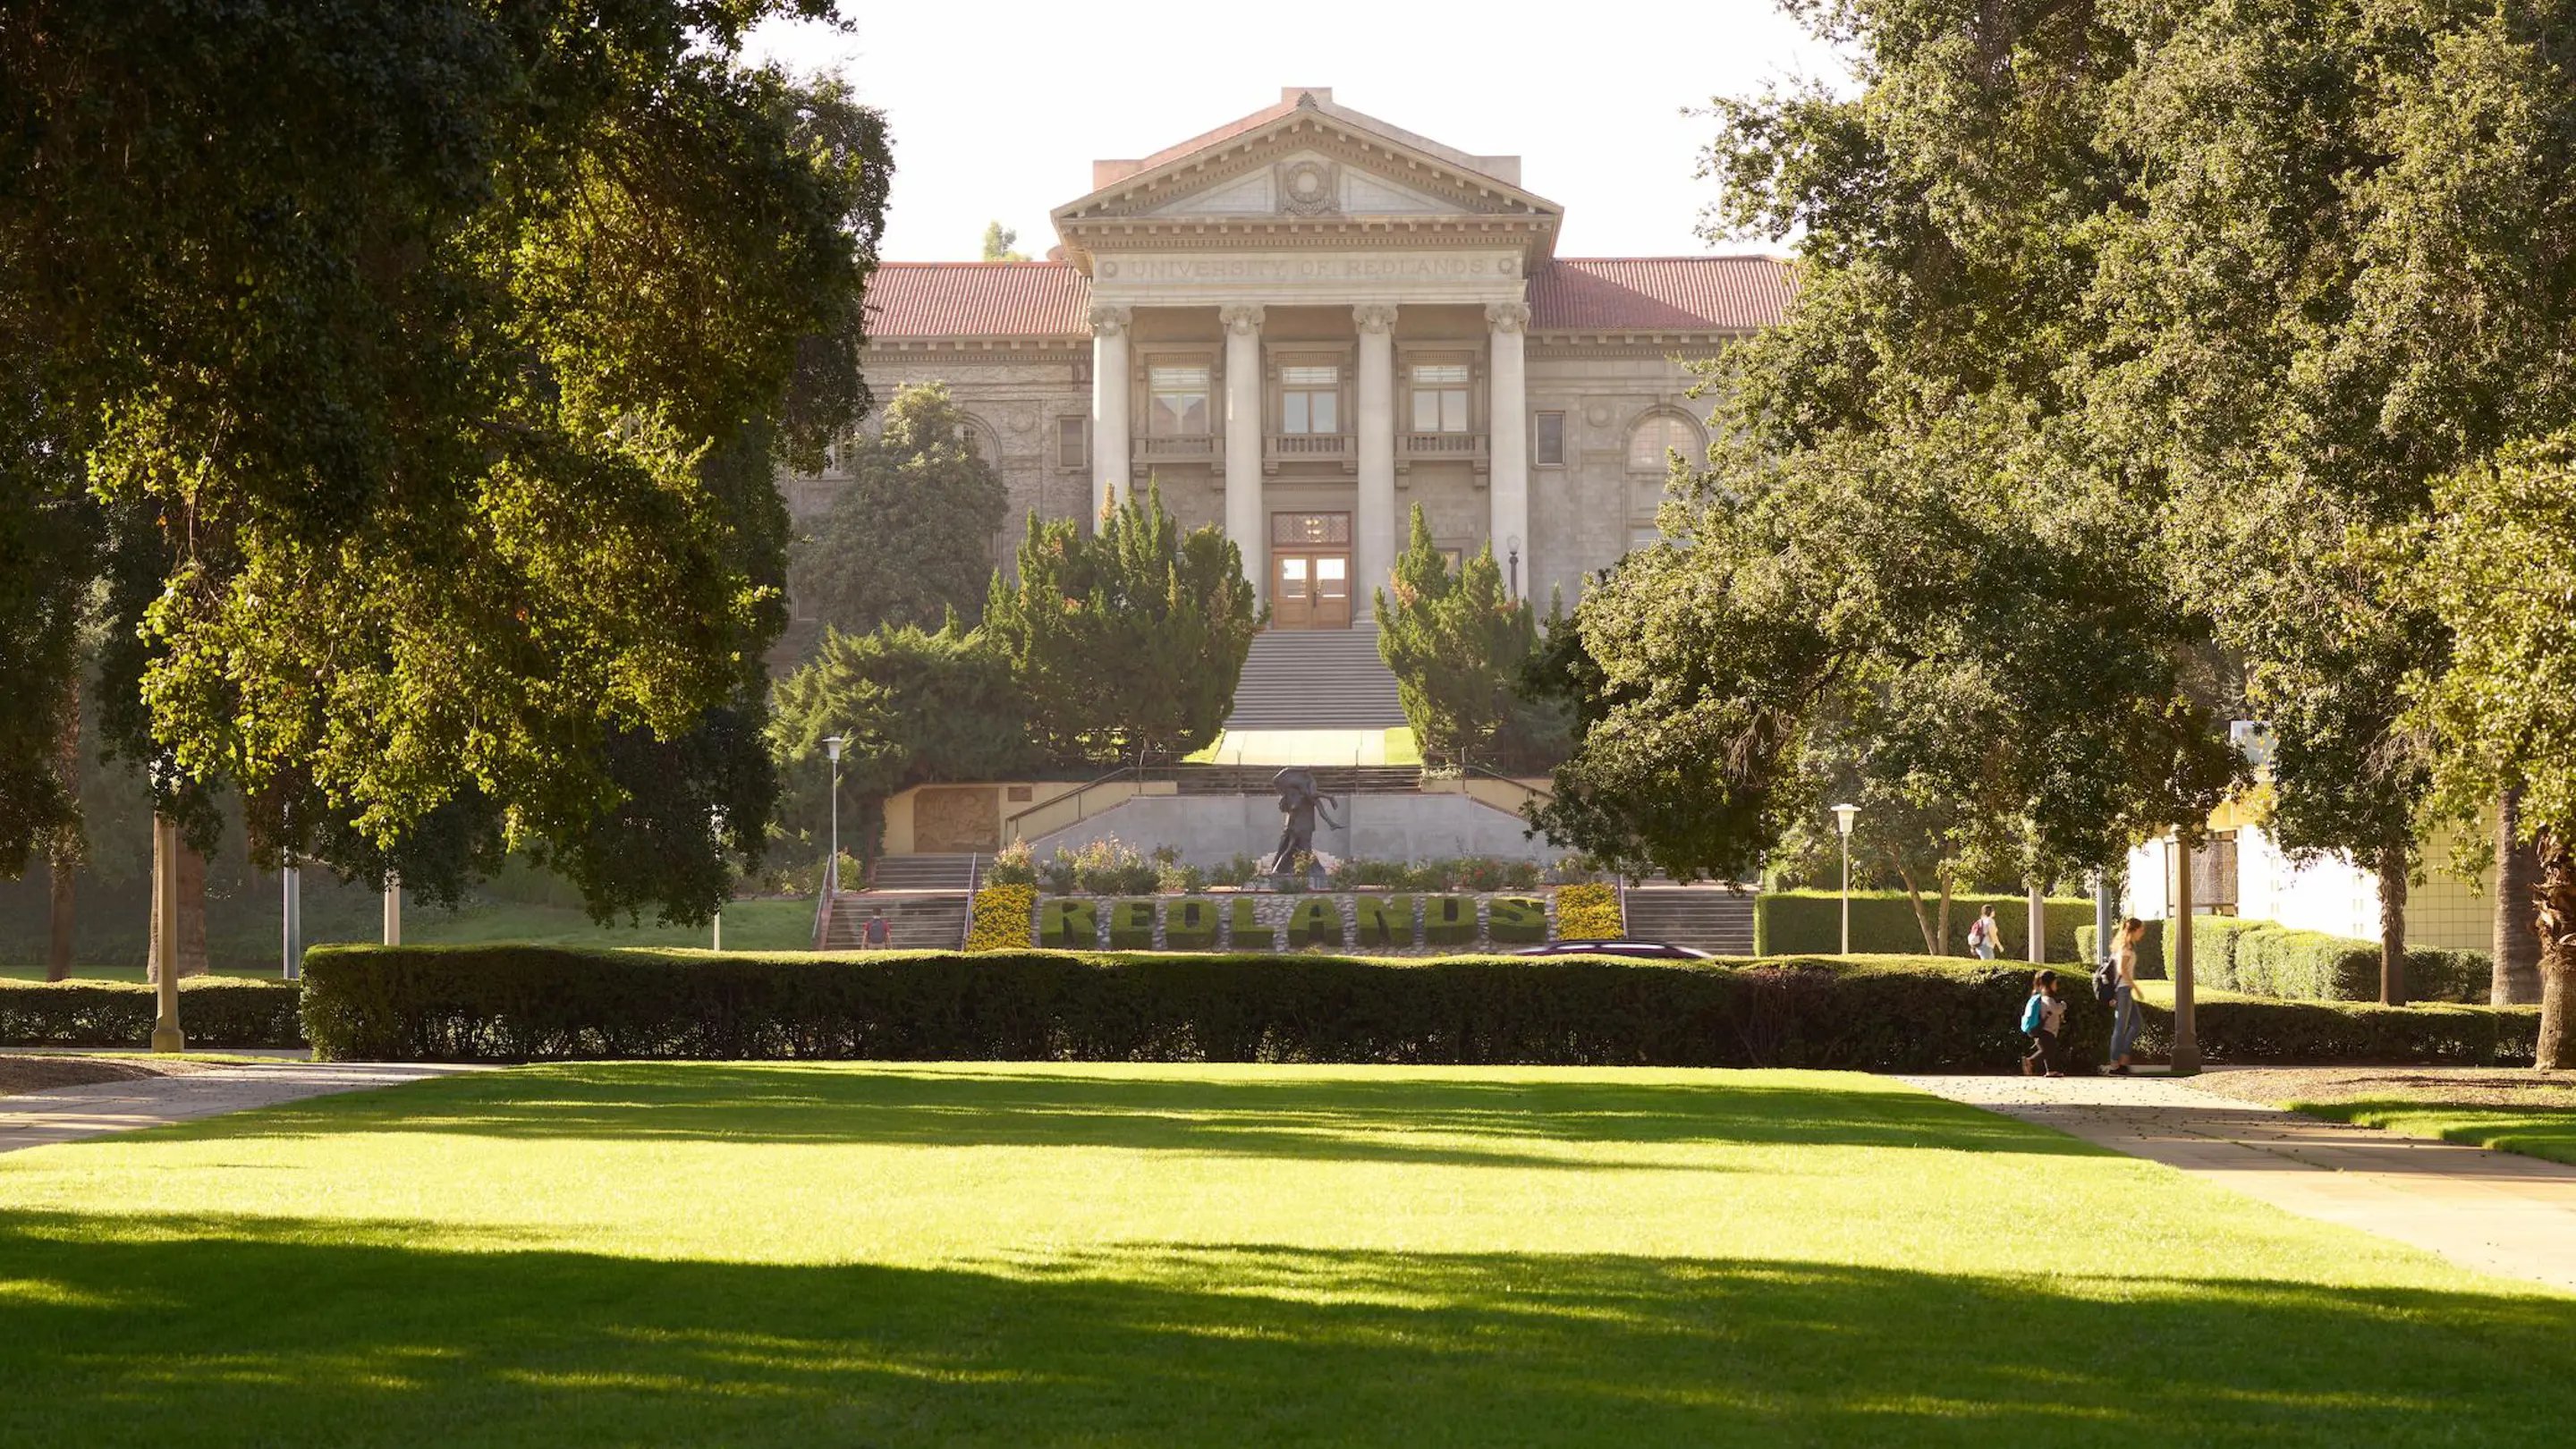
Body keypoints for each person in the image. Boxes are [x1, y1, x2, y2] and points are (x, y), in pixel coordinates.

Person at [2106, 917, 2145, 1074]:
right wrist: (2136, 988)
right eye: (2141, 930)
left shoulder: (2125, 946)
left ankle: (2123, 1058)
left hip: (2124, 990)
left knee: (2137, 1024)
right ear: (2133, 931)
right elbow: (2122, 970)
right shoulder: (2126, 948)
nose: (2142, 933)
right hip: (2123, 990)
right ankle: (2115, 1064)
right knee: (2120, 1027)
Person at [2020, 970, 2067, 1076]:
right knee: (2048, 1051)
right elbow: (2056, 1010)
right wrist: (2063, 1005)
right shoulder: (2048, 999)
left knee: (2048, 1051)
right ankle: (2030, 1061)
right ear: (2050, 984)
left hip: (2040, 1029)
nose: (2056, 986)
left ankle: (2051, 1071)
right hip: (2046, 1030)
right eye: (2055, 983)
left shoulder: (2040, 997)